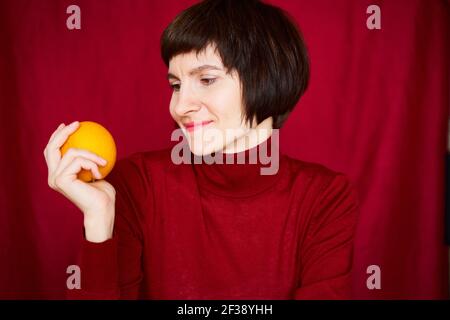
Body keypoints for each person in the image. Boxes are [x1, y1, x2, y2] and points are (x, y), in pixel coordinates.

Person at [43, 0, 359, 299]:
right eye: (176, 85)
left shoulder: (326, 198)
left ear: (266, 79)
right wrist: (98, 220)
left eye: (206, 79)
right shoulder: (134, 185)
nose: (180, 106)